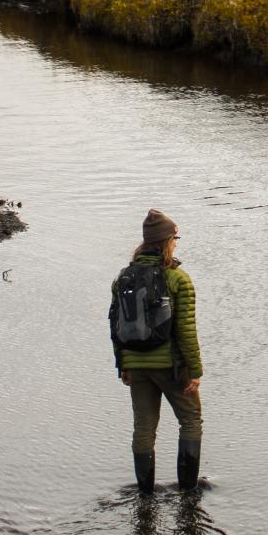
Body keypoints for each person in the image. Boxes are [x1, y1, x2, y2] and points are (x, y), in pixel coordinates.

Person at [112, 207, 203, 494]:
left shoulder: (123, 277)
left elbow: (115, 326)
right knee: (190, 421)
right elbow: (186, 331)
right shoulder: (178, 279)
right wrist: (195, 371)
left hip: (136, 367)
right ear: (166, 241)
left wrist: (123, 365)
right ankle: (188, 494)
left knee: (143, 429)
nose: (177, 241)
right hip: (172, 367)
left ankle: (145, 494)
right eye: (175, 237)